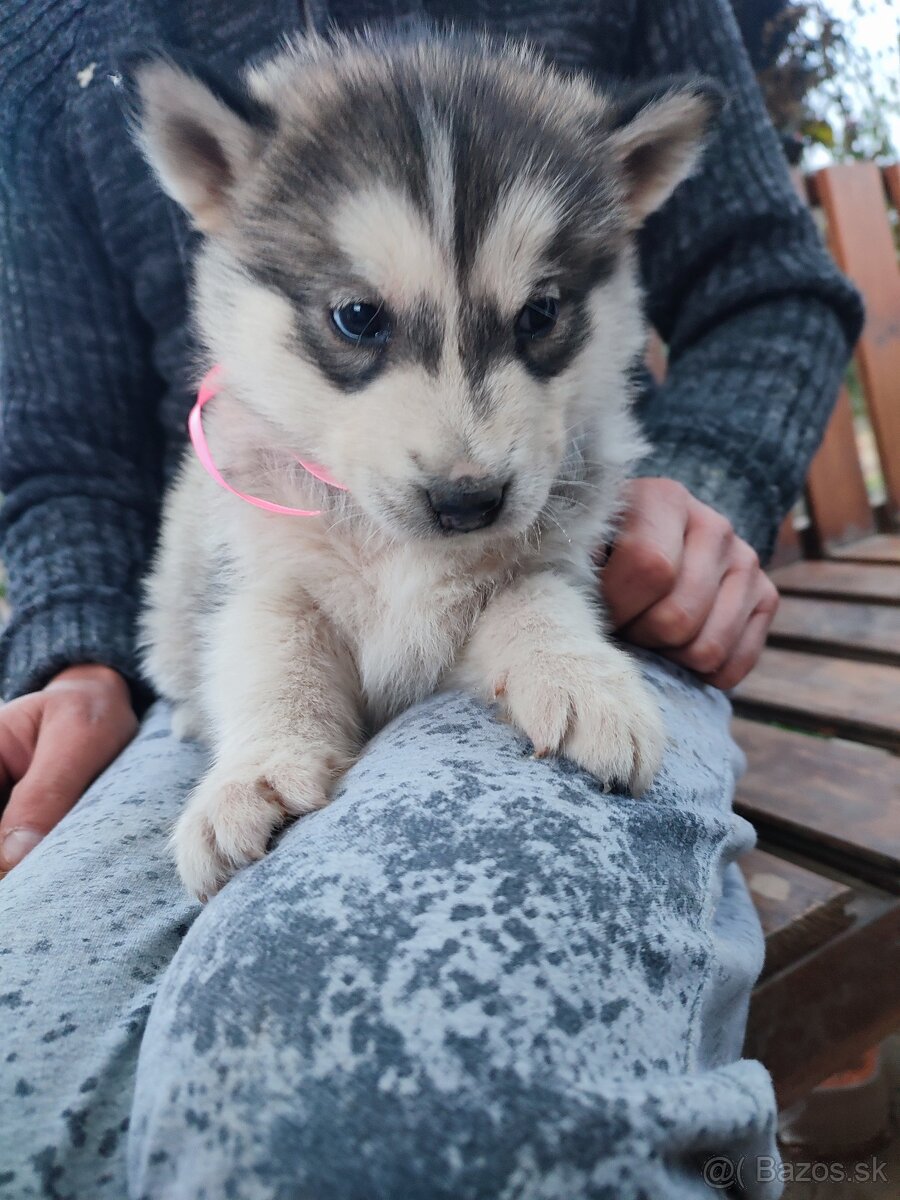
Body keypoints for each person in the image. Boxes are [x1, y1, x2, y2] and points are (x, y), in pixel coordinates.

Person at [0, 1, 862, 1197]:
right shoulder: (53, 32)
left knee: (404, 1088)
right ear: (208, 175)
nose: (468, 458)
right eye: (360, 321)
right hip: (200, 702)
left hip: (583, 603)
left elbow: (772, 286)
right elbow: (75, 462)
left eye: (539, 320)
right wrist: (77, 663)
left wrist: (682, 504)